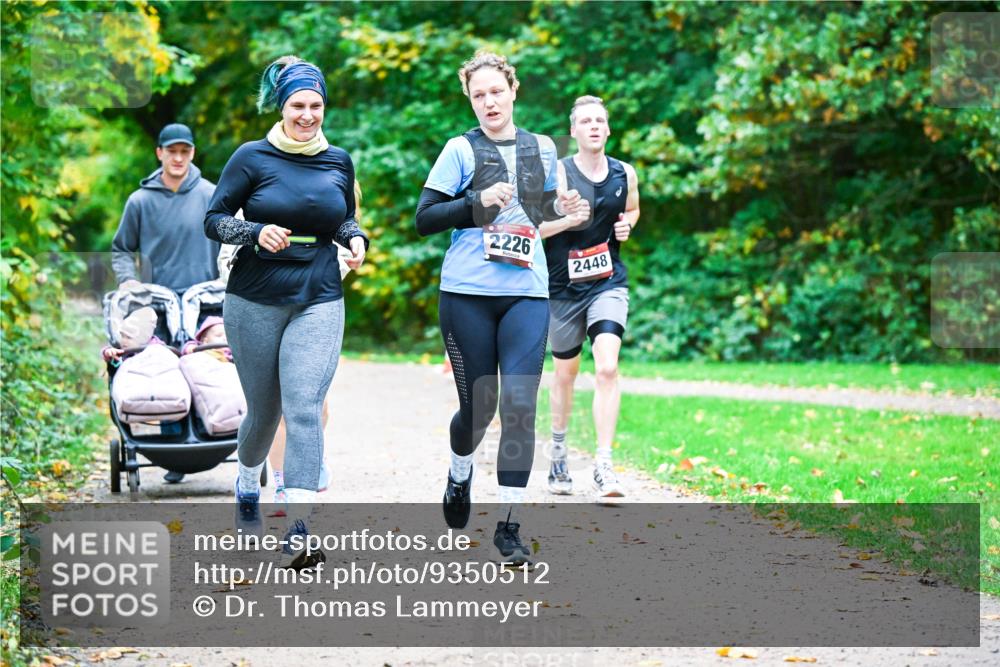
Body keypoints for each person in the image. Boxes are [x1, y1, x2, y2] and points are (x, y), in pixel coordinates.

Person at [415, 51, 588, 565]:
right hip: (466, 293)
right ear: (470, 100)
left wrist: (570, 211)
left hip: (527, 292)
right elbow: (424, 218)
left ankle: (509, 526)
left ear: (513, 90)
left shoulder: (542, 148)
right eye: (478, 95)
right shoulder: (459, 149)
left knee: (518, 406)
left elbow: (543, 217)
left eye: (496, 91)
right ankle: (459, 472)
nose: (488, 102)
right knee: (479, 408)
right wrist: (477, 202)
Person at [204, 55, 367, 569]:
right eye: (298, 105)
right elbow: (214, 219)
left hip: (318, 294)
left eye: (316, 105)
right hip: (253, 297)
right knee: (264, 412)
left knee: (303, 408)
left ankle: (299, 529)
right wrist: (255, 231)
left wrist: (356, 237)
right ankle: (248, 484)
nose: (308, 115)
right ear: (282, 106)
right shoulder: (251, 157)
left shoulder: (338, 161)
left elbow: (342, 219)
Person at [539, 95, 640, 499]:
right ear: (575, 131)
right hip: (562, 288)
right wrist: (567, 219)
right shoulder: (557, 174)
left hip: (608, 283)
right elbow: (533, 225)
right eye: (586, 120)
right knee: (566, 373)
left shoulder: (625, 173)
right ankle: (559, 451)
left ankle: (603, 465)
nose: (594, 125)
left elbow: (631, 210)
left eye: (600, 120)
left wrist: (626, 226)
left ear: (608, 129)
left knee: (608, 368)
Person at [111, 123, 218, 483]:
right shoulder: (140, 201)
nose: (177, 158)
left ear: (192, 154)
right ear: (159, 153)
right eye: (170, 151)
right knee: (167, 372)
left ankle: (213, 438)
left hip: (205, 302)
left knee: (208, 368)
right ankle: (177, 456)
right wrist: (128, 280)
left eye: (184, 151)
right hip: (158, 303)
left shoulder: (211, 196)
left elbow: (230, 247)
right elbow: (122, 248)